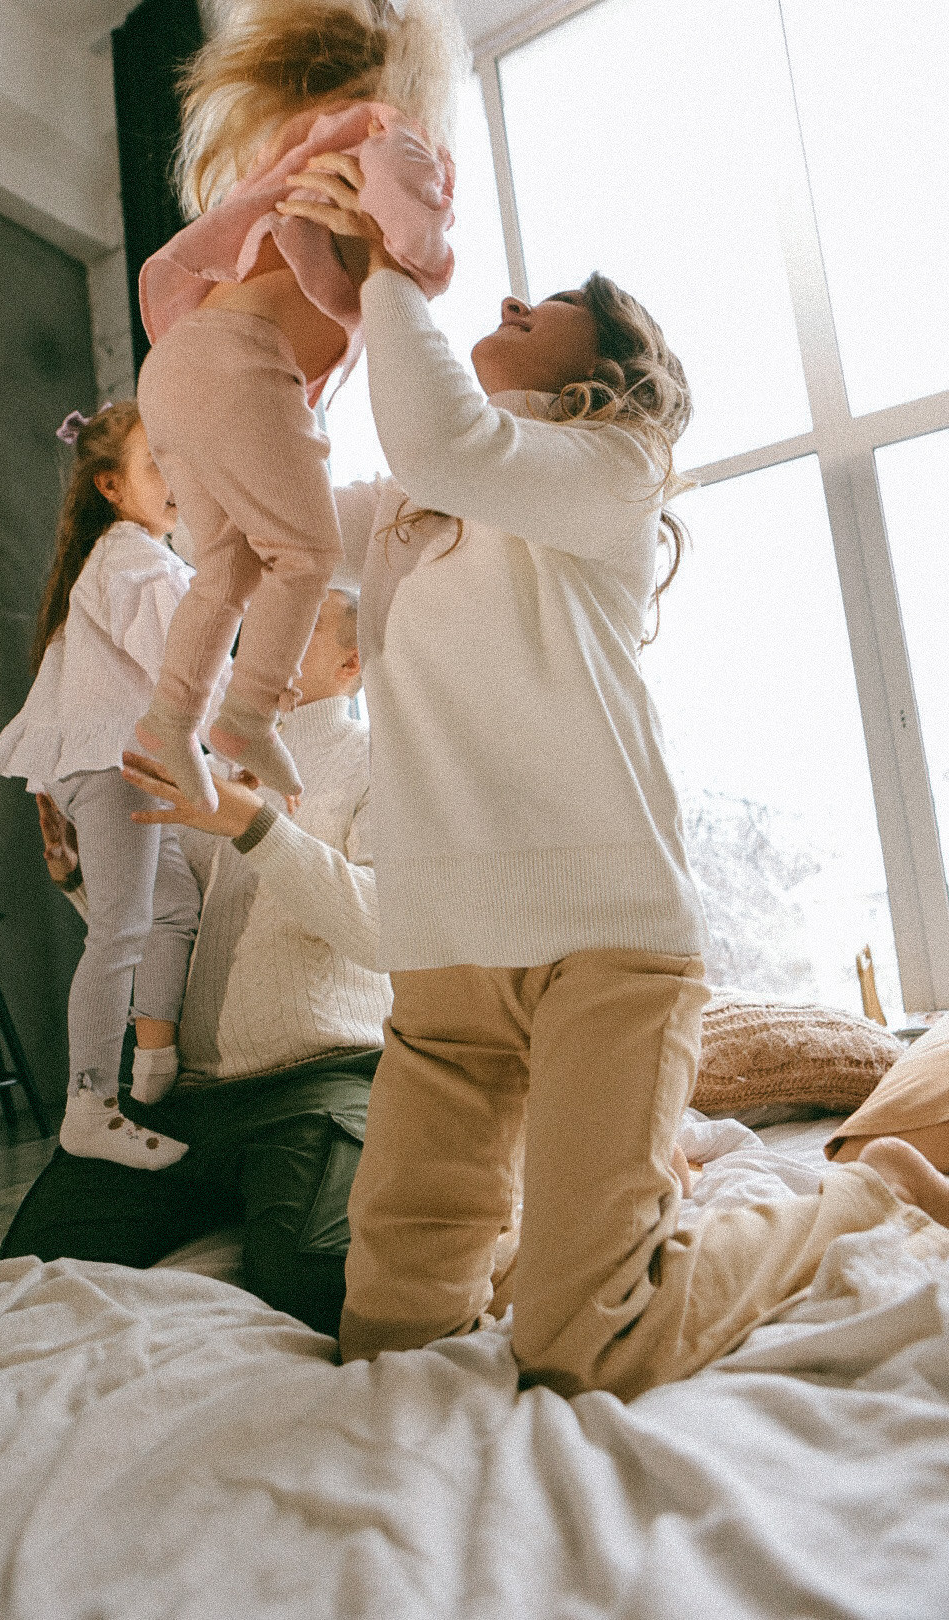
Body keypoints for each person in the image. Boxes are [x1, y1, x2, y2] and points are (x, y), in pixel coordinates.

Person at [276, 157, 949, 1399]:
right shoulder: (413, 505)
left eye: (558, 300)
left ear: (612, 363)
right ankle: (590, 1211)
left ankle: (852, 1194)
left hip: (608, 942)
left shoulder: (611, 465)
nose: (517, 299)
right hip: (447, 952)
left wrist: (388, 282)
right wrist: (310, 325)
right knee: (390, 1338)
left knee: (590, 1338)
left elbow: (446, 431)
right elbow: (281, 495)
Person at [0, 590, 412, 1338]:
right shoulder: (202, 762)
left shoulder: (382, 762)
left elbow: (389, 932)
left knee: (319, 1283)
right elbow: (165, 926)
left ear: (352, 662)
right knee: (29, 1271)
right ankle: (234, 1200)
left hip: (317, 1084)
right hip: (180, 1102)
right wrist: (79, 880)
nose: (267, 626)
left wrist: (253, 826)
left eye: (303, 620)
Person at [133, 0, 468, 810]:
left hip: (178, 368)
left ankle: (171, 718)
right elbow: (412, 244)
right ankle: (249, 714)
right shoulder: (391, 134)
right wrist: (437, 225)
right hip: (237, 365)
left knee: (230, 566)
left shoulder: (304, 142)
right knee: (307, 554)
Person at [0, 403, 202, 1171]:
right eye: (155, 465)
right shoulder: (135, 559)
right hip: (113, 764)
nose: (175, 478)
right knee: (121, 926)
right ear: (112, 485)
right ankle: (91, 1104)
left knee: (171, 907)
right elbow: (185, 672)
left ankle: (152, 1076)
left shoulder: (124, 558)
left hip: (115, 763)